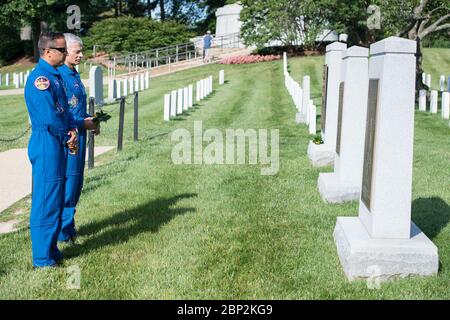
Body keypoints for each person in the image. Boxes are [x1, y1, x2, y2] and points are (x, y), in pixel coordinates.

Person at [24, 32, 97, 268]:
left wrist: (73, 128)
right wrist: (69, 133)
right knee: (46, 200)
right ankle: (42, 258)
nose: (65, 54)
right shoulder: (41, 79)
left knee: (56, 198)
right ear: (47, 52)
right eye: (62, 50)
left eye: (66, 50)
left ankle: (52, 248)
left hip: (58, 139)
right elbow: (49, 118)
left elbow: (64, 113)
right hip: (47, 141)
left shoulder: (54, 76)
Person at [57, 33, 99, 245]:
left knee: (76, 183)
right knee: (69, 181)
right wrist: (83, 124)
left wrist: (91, 121)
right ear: (65, 51)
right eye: (78, 51)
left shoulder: (73, 74)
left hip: (80, 134)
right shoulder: (60, 76)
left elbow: (77, 107)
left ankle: (69, 226)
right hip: (69, 138)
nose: (82, 55)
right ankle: (64, 232)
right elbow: (62, 112)